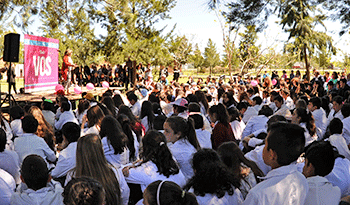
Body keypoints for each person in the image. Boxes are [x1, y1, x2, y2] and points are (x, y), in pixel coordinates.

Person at [243, 122, 308, 205]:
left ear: (272, 155)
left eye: (265, 145)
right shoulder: (302, 180)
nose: (262, 149)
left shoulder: (258, 194)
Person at [65, 134, 130, 205]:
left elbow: (69, 198)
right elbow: (125, 195)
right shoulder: (114, 172)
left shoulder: (72, 175)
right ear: (101, 150)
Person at [122, 130, 186, 192]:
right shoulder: (172, 160)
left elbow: (119, 173)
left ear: (145, 148)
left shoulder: (146, 170)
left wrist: (131, 166)